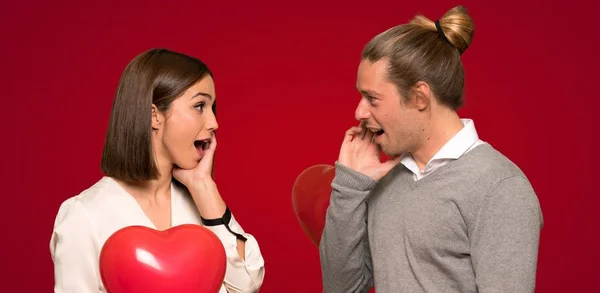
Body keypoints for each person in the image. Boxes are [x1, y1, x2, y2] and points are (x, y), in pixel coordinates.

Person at [319, 6, 543, 293]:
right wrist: (349, 188)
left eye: (372, 99)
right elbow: (341, 289)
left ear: (419, 97)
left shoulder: (500, 188)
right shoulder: (386, 181)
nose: (359, 112)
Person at [49, 48, 265, 293]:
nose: (214, 123)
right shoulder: (84, 215)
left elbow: (248, 284)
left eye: (212, 107)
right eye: (199, 106)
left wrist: (204, 186)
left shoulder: (202, 202)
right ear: (154, 116)